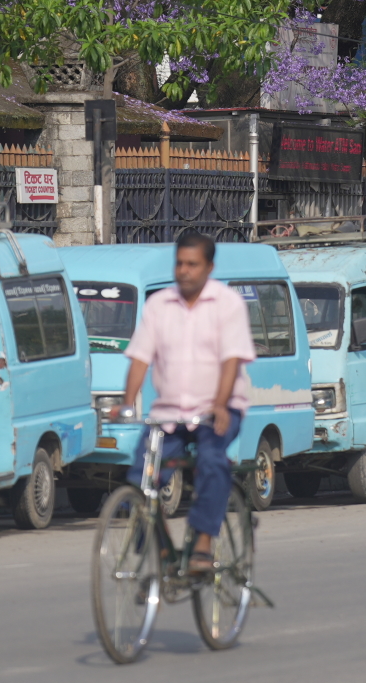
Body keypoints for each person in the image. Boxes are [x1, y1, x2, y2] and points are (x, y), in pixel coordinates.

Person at [109, 230, 256, 576]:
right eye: (180, 264)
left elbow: (231, 360)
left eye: (193, 264)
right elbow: (141, 359)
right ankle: (161, 553)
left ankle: (203, 543)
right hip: (170, 413)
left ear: (209, 267)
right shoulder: (159, 305)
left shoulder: (227, 304)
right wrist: (127, 403)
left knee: (211, 461)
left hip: (218, 410)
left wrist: (220, 404)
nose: (184, 271)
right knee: (142, 474)